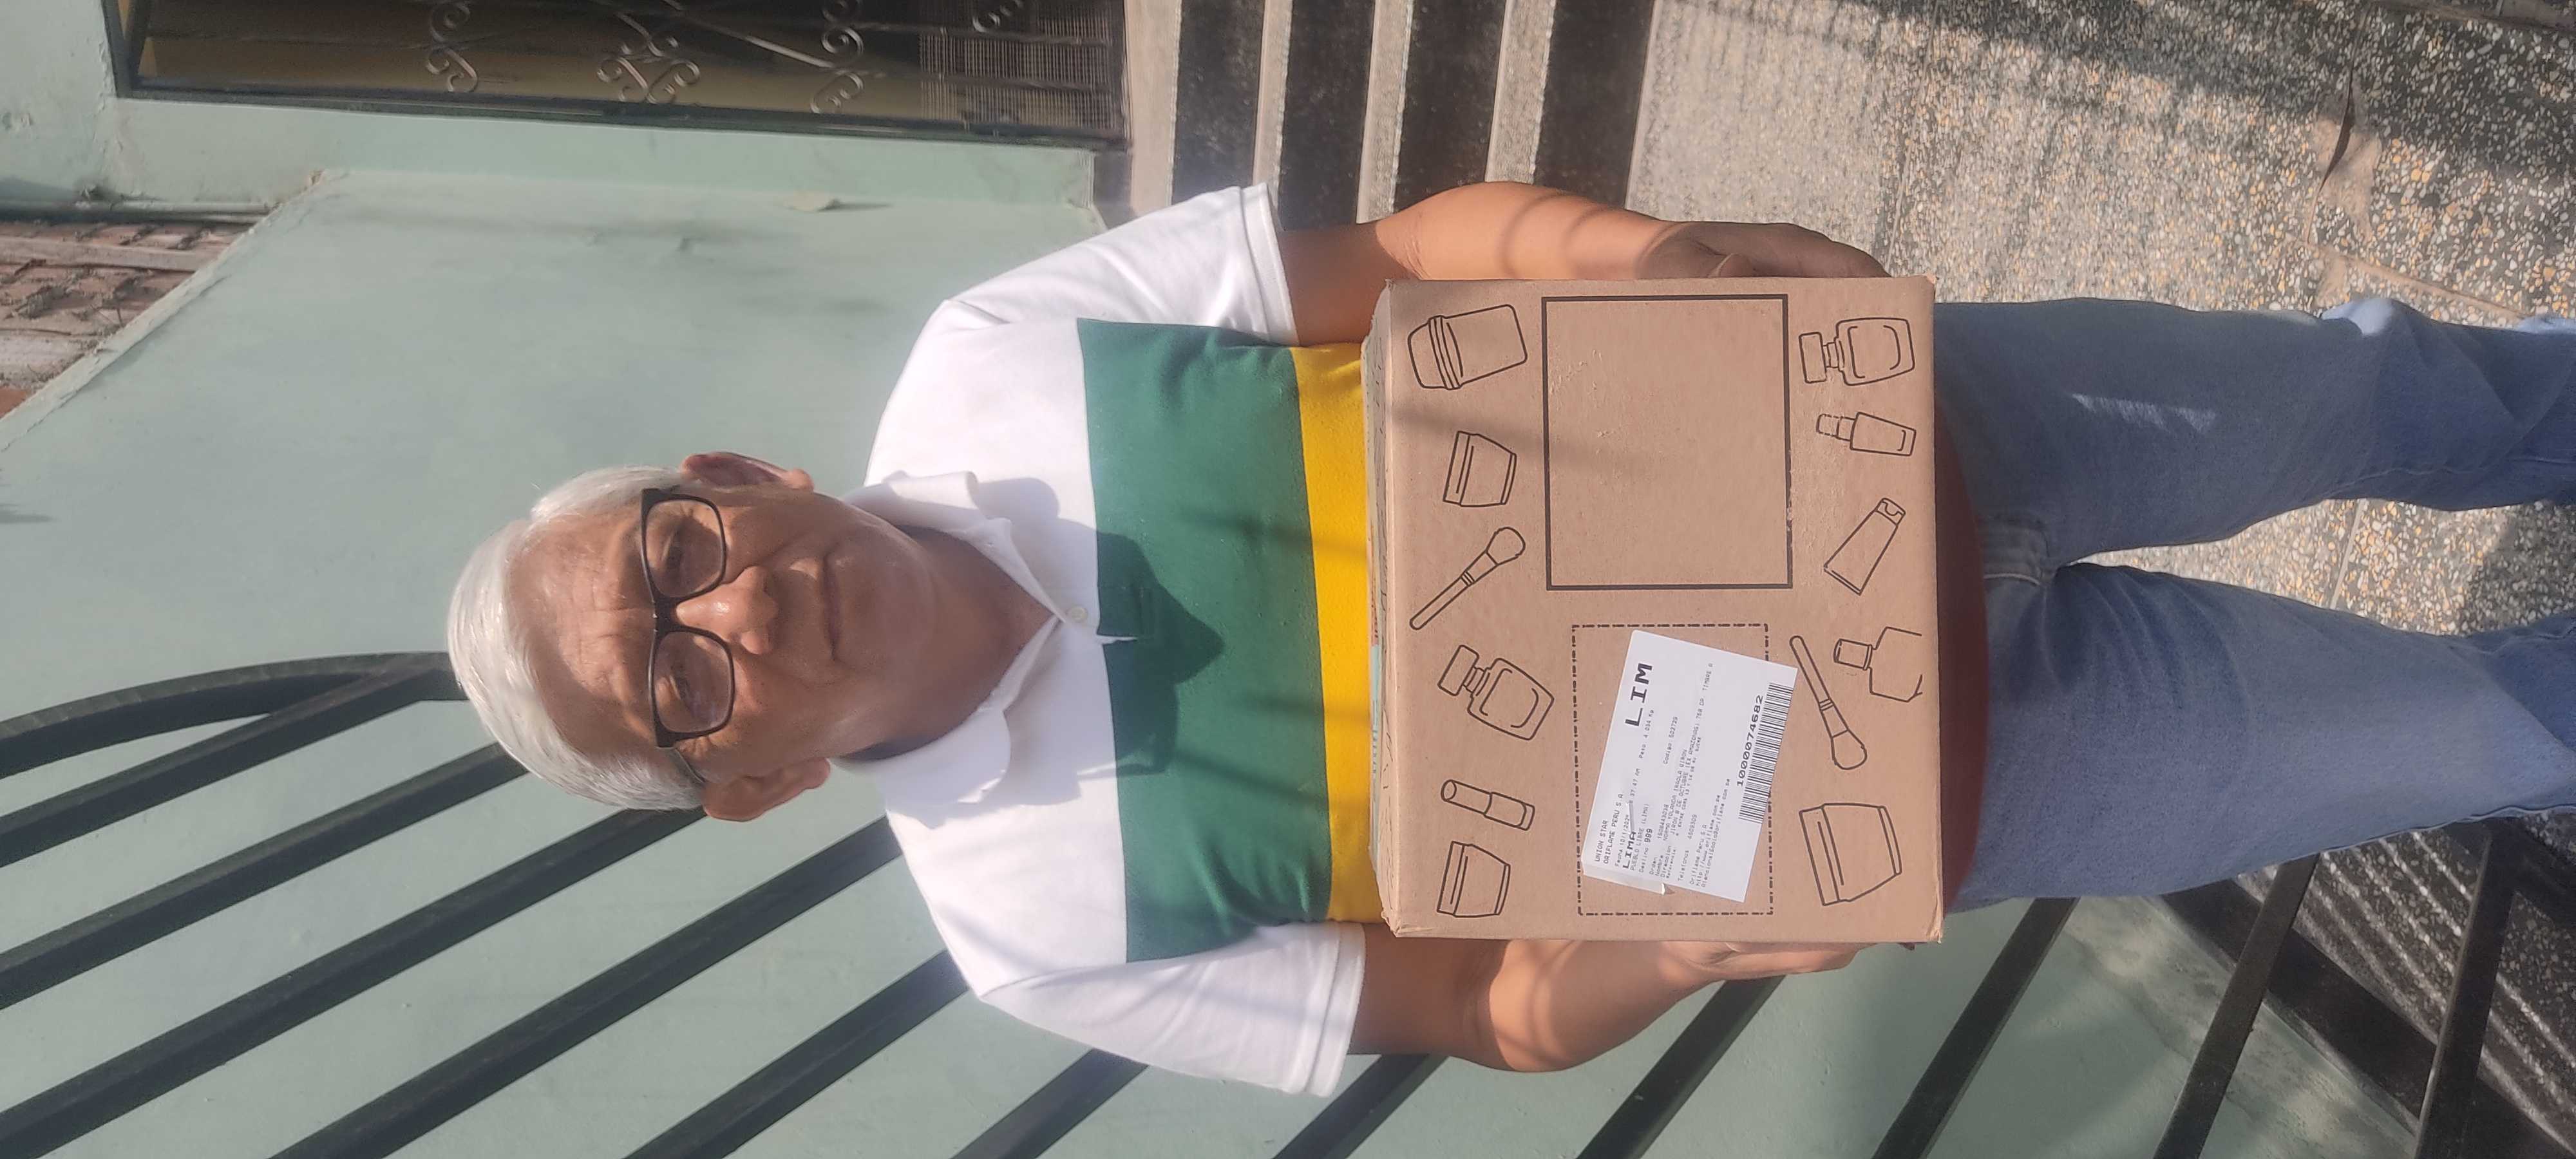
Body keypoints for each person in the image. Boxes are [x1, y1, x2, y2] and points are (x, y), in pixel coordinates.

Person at [447, 180, 2576, 1096]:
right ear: (753, 783)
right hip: (1966, 761)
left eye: (674, 551)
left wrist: (1648, 261)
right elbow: (1496, 1008)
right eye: (680, 683)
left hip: (1920, 426)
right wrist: (1693, 944)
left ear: (733, 472)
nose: (731, 606)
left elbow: (1412, 252)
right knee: (2484, 733)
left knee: (2383, 390)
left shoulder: (997, 356)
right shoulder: (1033, 926)